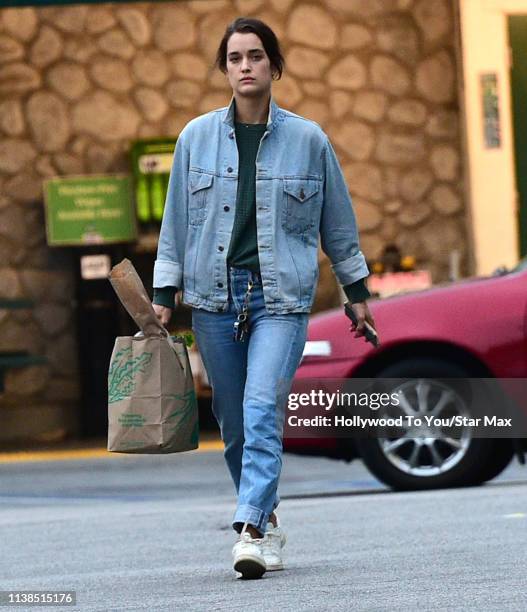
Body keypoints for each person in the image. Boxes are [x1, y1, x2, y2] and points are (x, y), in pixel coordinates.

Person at [152, 17, 377, 579]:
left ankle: (249, 528)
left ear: (274, 66)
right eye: (234, 58)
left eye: (256, 56)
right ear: (225, 69)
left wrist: (357, 294)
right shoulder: (194, 139)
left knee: (260, 408)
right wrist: (161, 294)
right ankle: (268, 518)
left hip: (279, 298)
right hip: (213, 299)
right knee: (233, 422)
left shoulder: (309, 140)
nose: (245, 66)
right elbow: (174, 225)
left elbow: (339, 227)